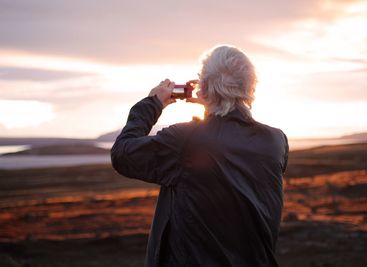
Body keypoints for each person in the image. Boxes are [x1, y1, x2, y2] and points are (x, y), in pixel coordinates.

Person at [111, 45, 289, 267]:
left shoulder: (185, 140)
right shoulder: (275, 141)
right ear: (249, 85)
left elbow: (122, 154)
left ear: (203, 86)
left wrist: (152, 104)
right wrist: (214, 104)